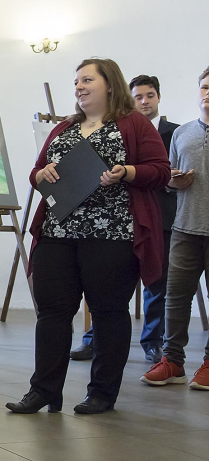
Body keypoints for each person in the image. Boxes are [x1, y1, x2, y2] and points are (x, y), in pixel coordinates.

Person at [6, 58, 170, 415]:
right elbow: (37, 171)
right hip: (57, 232)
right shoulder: (64, 127)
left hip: (111, 234)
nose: (79, 87)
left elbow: (160, 171)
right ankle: (44, 390)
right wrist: (41, 174)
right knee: (51, 312)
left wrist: (126, 171)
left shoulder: (134, 124)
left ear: (109, 84)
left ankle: (102, 393)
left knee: (108, 312)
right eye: (76, 81)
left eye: (87, 80)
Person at [70, 75, 179, 362]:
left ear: (158, 98)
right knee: (105, 287)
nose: (144, 101)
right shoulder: (112, 128)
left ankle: (153, 343)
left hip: (163, 215)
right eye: (138, 96)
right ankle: (93, 339)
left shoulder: (175, 132)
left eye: (150, 95)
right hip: (118, 217)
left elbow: (164, 169)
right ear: (129, 99)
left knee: (157, 284)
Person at [141, 66, 209, 390]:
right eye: (205, 87)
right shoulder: (182, 133)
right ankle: (172, 361)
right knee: (175, 297)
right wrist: (173, 180)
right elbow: (167, 180)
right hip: (184, 228)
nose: (208, 93)